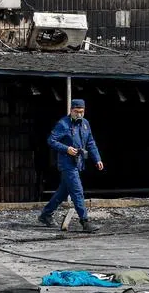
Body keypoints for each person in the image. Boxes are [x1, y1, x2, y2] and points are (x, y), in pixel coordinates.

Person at [38, 99, 103, 233]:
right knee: (77, 190)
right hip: (67, 163)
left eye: (82, 112)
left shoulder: (85, 124)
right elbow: (51, 140)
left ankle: (45, 215)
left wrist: (97, 159)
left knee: (63, 191)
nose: (79, 114)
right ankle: (84, 222)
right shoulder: (63, 124)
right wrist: (66, 148)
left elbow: (90, 142)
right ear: (71, 110)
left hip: (78, 162)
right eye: (76, 111)